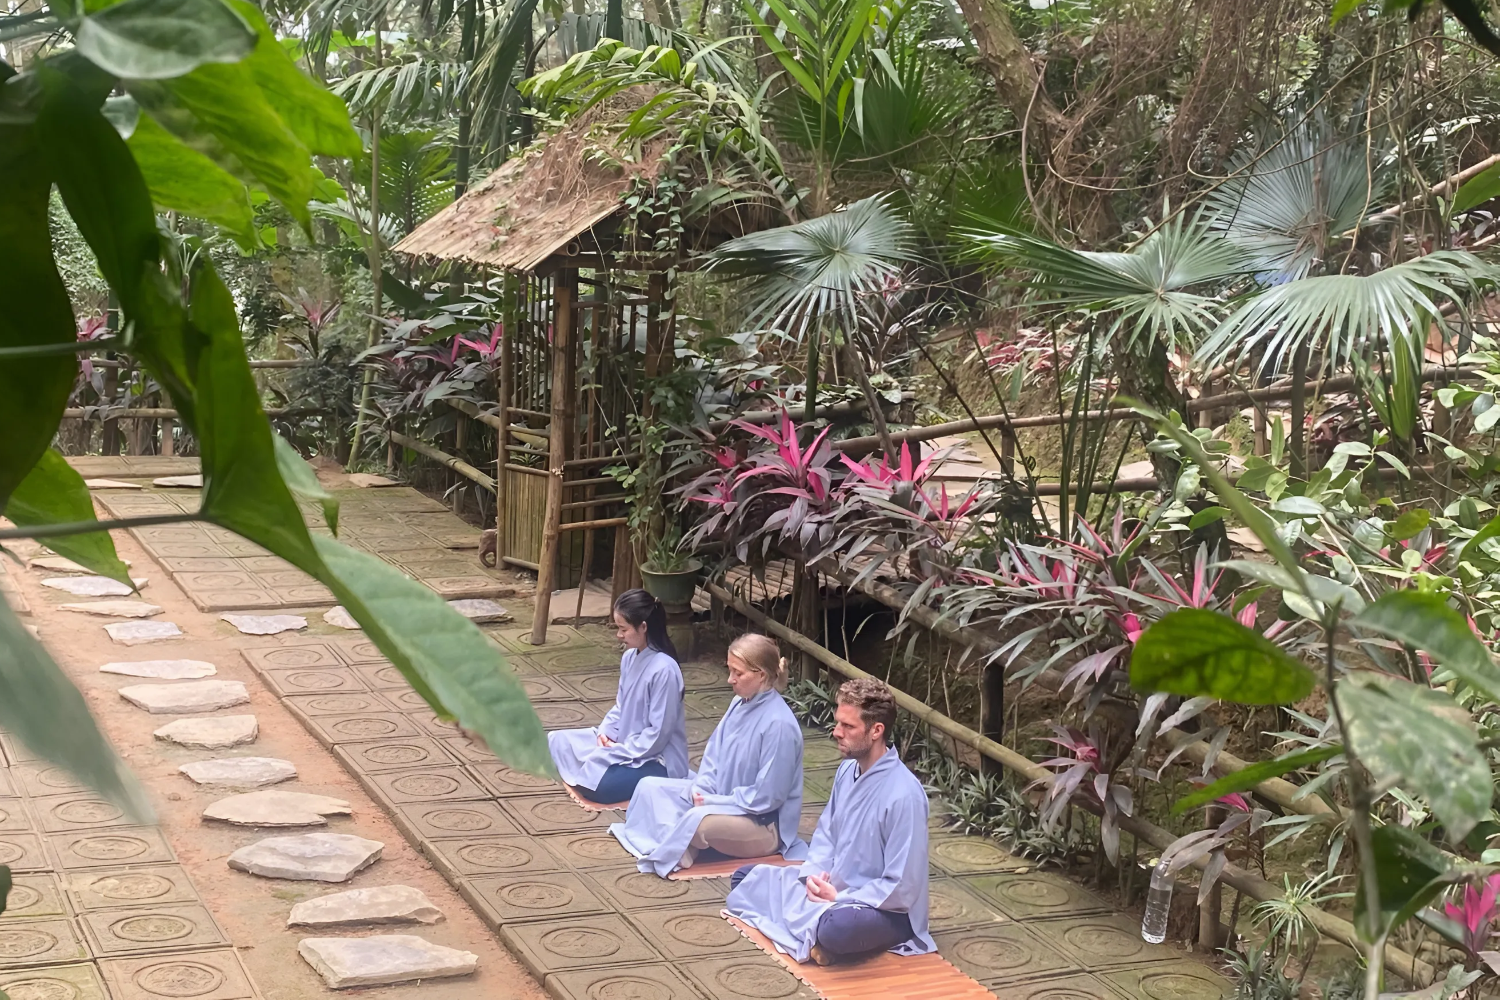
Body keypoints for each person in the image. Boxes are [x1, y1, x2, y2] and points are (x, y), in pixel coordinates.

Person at [725, 677, 935, 966]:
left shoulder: (905, 795)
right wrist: (813, 878)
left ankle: (828, 937)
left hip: (880, 908)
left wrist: (841, 897)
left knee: (838, 927)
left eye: (848, 727)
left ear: (876, 730)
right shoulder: (846, 772)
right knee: (746, 878)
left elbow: (902, 886)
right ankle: (817, 938)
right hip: (832, 890)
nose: (837, 733)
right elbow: (826, 837)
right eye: (838, 723)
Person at [611, 633, 806, 876]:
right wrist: (702, 787)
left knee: (700, 821)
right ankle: (674, 844)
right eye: (730, 670)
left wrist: (714, 802)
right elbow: (713, 754)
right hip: (720, 801)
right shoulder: (739, 703)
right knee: (649, 787)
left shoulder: (779, 725)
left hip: (761, 825)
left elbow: (766, 798)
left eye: (738, 673)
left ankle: (679, 845)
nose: (729, 680)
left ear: (761, 675)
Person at [548, 589, 688, 803]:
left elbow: (659, 734)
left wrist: (622, 750)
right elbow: (621, 706)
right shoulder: (629, 657)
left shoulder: (665, 670)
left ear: (643, 627)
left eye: (623, 629)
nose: (618, 635)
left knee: (598, 785)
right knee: (557, 741)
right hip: (624, 742)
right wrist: (606, 733)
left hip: (654, 757)